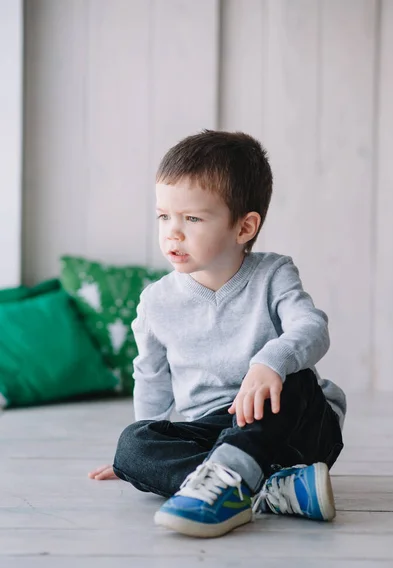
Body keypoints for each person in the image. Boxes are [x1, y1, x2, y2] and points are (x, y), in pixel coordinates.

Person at [88, 130, 346, 538]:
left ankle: (230, 478)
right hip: (212, 430)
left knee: (293, 378)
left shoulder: (273, 274)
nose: (173, 232)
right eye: (164, 216)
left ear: (244, 227)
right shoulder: (156, 302)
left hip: (291, 426)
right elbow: (152, 378)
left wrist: (269, 363)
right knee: (132, 445)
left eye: (191, 218)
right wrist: (144, 457)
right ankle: (267, 490)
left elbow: (312, 328)